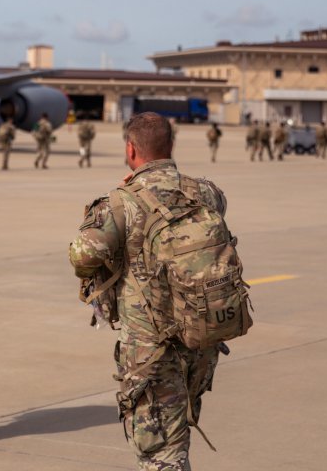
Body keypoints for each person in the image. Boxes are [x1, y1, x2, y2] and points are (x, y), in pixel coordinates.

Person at [68, 112, 231, 471]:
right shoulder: (204, 192)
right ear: (171, 146)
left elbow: (82, 257)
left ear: (130, 149)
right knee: (176, 438)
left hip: (151, 348)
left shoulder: (121, 203)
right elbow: (219, 204)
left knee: (161, 456)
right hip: (201, 336)